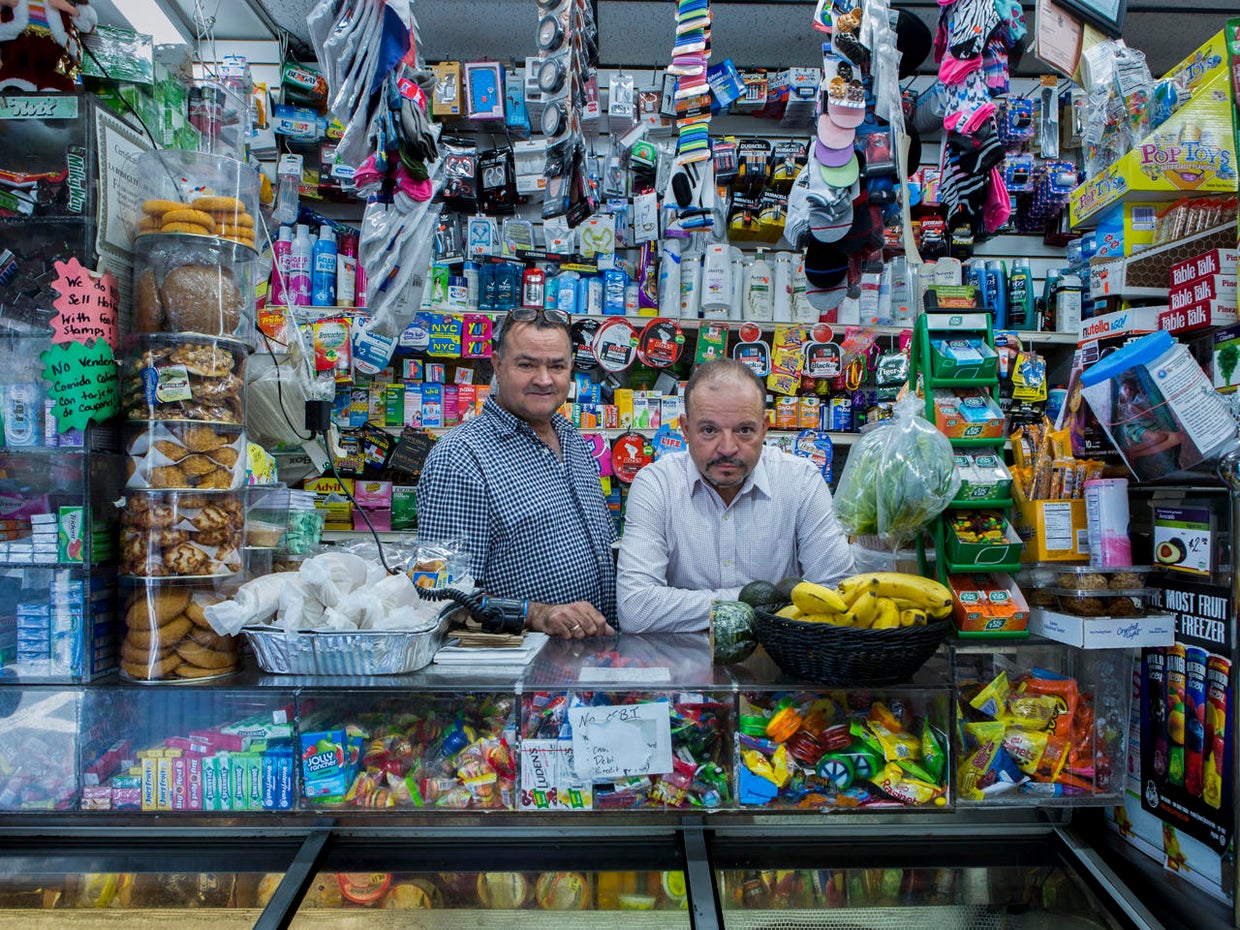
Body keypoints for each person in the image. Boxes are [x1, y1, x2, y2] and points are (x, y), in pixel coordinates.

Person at [417, 307, 616, 639]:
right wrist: (537, 614)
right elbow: (438, 597)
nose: (544, 379)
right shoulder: (461, 457)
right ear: (497, 366)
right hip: (518, 677)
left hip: (588, 663)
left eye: (557, 366)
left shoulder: (573, 439)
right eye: (527, 364)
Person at [617, 359, 855, 633]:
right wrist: (763, 603)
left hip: (778, 662)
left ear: (764, 428)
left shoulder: (801, 482)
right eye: (709, 430)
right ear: (685, 429)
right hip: (682, 666)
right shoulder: (656, 485)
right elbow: (636, 609)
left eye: (744, 430)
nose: (727, 448)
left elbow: (838, 594)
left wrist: (689, 607)